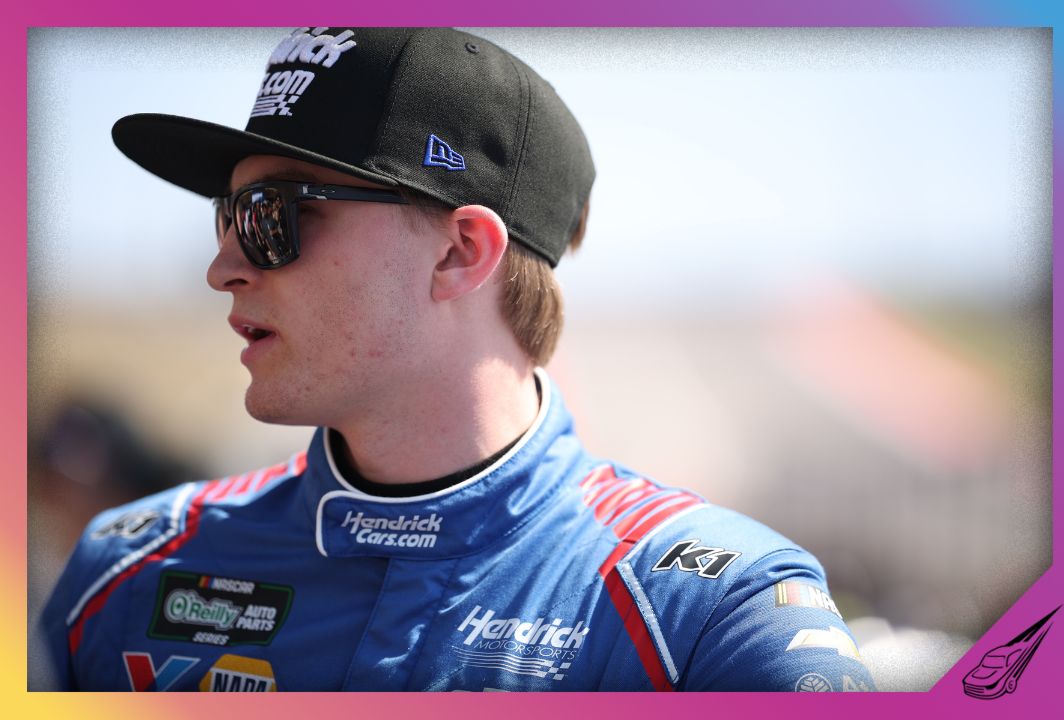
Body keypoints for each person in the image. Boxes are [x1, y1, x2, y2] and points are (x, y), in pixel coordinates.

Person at [39, 27, 876, 692]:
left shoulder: (710, 611)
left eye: (271, 215)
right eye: (226, 216)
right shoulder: (127, 568)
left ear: (459, 253)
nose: (223, 267)